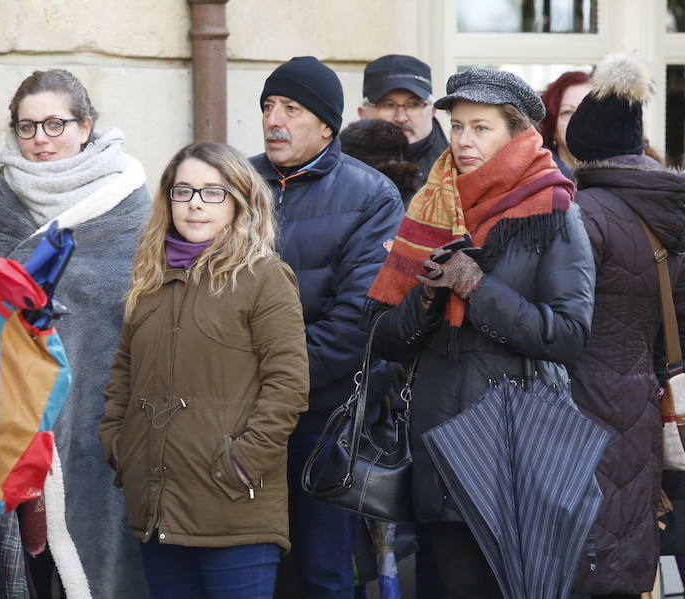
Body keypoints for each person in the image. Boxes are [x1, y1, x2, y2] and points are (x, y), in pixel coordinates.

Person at [367, 67, 596, 599]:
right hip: (437, 449)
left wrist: (477, 287)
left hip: (514, 454)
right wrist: (426, 297)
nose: (464, 141)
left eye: (482, 127)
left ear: (517, 134)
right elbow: (384, 336)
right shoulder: (433, 204)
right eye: (458, 125)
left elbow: (568, 337)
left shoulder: (555, 211)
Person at [0, 69, 149, 599]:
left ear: (86, 126)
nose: (40, 139)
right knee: (26, 571)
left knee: (99, 545)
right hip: (9, 410)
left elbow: (140, 313)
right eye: (26, 127)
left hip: (103, 407)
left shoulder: (130, 202)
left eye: (54, 124)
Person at [99, 141, 309, 599]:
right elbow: (123, 373)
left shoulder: (263, 276)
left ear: (239, 201)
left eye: (213, 192)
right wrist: (120, 445)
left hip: (235, 509)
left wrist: (242, 463)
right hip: (158, 507)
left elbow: (288, 385)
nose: (195, 203)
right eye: (184, 191)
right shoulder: (151, 278)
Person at [251, 55, 404, 598]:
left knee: (322, 575)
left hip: (324, 425)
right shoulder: (236, 184)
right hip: (240, 425)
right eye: (269, 106)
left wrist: (266, 386)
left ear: (326, 126)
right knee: (254, 575)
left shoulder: (372, 197)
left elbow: (357, 324)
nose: (275, 120)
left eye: (291, 109)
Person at [564, 52, 685, 599]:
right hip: (644, 400)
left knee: (594, 554)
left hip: (585, 402)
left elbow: (561, 314)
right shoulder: (664, 208)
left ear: (583, 145)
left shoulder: (583, 212)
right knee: (631, 543)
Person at [357, 55, 448, 205]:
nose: (401, 118)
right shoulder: (339, 174)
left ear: (432, 111)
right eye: (388, 105)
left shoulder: (459, 169)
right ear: (363, 114)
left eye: (413, 105)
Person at [539, 70, 592, 179]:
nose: (580, 120)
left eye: (590, 110)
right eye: (568, 112)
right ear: (552, 125)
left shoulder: (623, 176)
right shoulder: (539, 181)